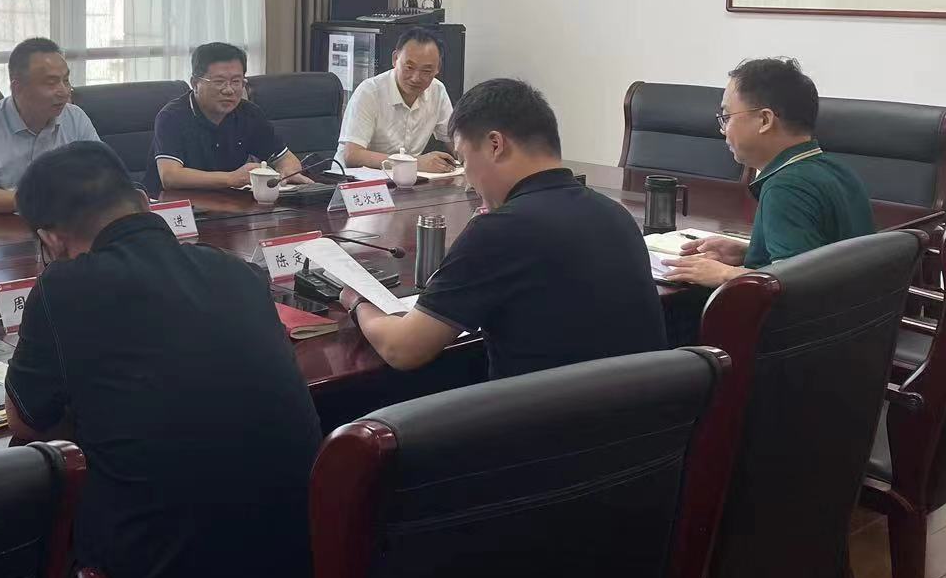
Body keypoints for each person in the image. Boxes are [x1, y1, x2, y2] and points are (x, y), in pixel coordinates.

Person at [6, 142, 320, 578]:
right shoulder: (236, 272)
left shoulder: (63, 286)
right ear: (142, 201)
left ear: (51, 239)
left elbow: (26, 422)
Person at [344, 78, 665, 379]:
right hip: (640, 413)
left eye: (464, 159)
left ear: (495, 144)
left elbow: (402, 349)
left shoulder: (500, 231)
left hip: (545, 416)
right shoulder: (614, 214)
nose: (468, 178)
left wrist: (356, 300)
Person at [663, 57, 875, 288]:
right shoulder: (838, 169)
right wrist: (750, 252)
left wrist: (724, 274)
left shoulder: (786, 187)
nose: (723, 130)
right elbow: (822, 259)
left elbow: (795, 285)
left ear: (765, 120)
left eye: (727, 117)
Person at [0, 37, 100, 214]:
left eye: (66, 80)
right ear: (18, 88)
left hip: (66, 224)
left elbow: (106, 177)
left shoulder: (75, 117)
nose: (64, 91)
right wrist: (43, 200)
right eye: (51, 83)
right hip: (4, 228)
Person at [144, 41, 310, 194]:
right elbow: (170, 177)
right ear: (195, 83)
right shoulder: (172, 116)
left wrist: (286, 173)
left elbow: (286, 158)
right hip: (174, 206)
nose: (229, 90)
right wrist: (231, 178)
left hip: (229, 204)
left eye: (236, 81)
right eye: (219, 82)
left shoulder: (249, 114)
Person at [337, 27, 458, 173]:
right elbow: (353, 155)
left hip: (407, 179)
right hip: (355, 180)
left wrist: (471, 161)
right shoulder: (370, 91)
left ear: (438, 68)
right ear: (395, 59)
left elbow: (454, 140)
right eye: (409, 67)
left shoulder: (437, 90)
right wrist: (413, 163)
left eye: (426, 71)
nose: (416, 78)